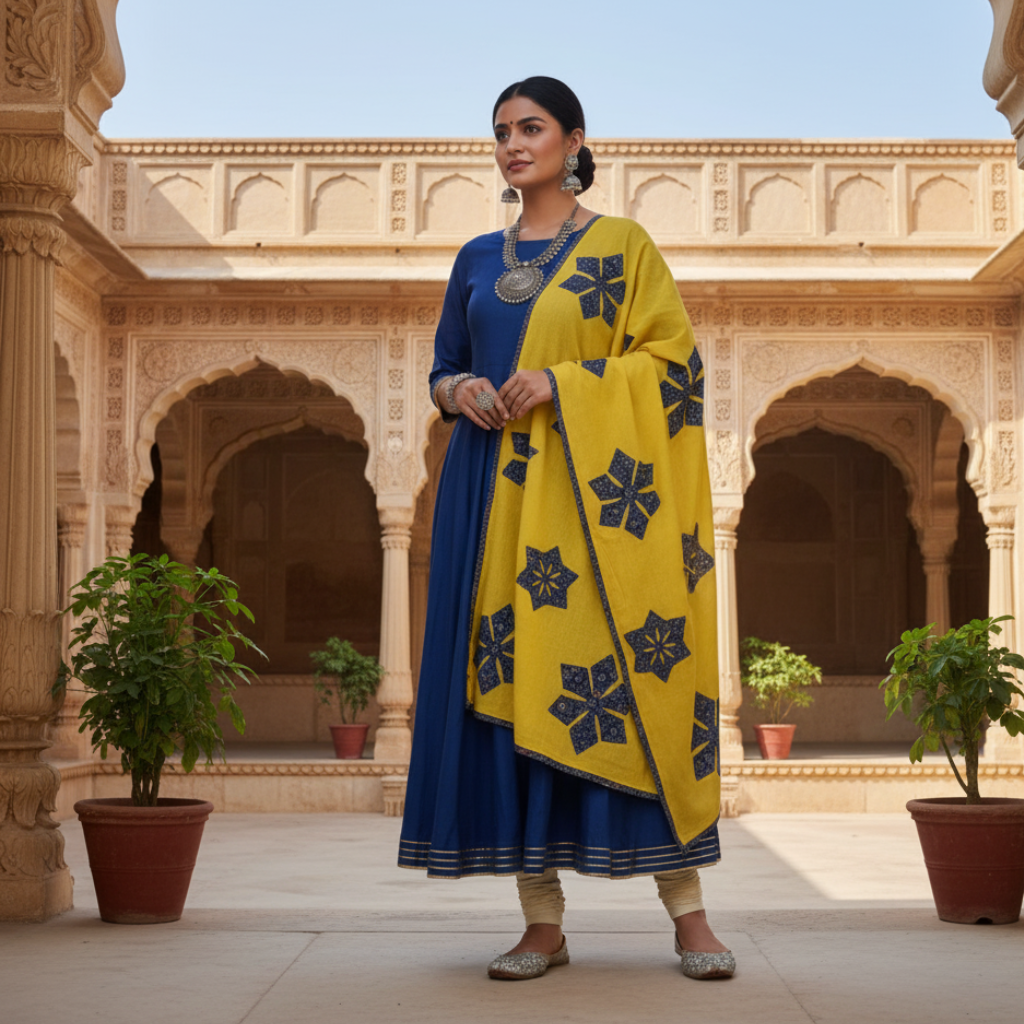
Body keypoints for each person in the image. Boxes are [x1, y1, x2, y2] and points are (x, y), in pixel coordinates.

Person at [398, 76, 733, 982]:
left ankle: (688, 912)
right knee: (512, 692)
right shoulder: (475, 257)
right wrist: (457, 391)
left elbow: (675, 366)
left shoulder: (621, 247)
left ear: (575, 140)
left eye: (531, 128)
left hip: (593, 507)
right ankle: (541, 921)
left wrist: (568, 382)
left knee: (626, 680)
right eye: (501, 131)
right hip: (490, 498)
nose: (513, 143)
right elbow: (443, 367)